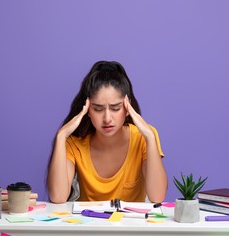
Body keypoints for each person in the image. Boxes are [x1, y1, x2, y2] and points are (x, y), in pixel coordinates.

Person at [46, 61, 167, 203]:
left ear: (127, 107)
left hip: (132, 224)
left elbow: (157, 196)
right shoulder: (74, 142)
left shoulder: (143, 137)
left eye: (116, 108)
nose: (107, 118)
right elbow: (58, 197)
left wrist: (150, 138)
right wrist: (61, 136)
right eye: (98, 109)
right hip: (87, 223)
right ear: (87, 110)